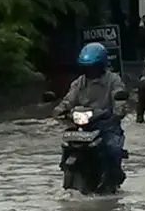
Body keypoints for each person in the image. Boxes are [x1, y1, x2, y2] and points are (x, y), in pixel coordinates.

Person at [54, 43, 127, 184]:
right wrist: (59, 110)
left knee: (113, 149)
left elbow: (119, 96)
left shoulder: (113, 80)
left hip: (106, 126)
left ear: (102, 65)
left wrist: (118, 111)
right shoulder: (79, 83)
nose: (91, 71)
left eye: (94, 67)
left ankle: (113, 177)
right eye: (88, 68)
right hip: (83, 127)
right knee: (67, 144)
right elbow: (69, 99)